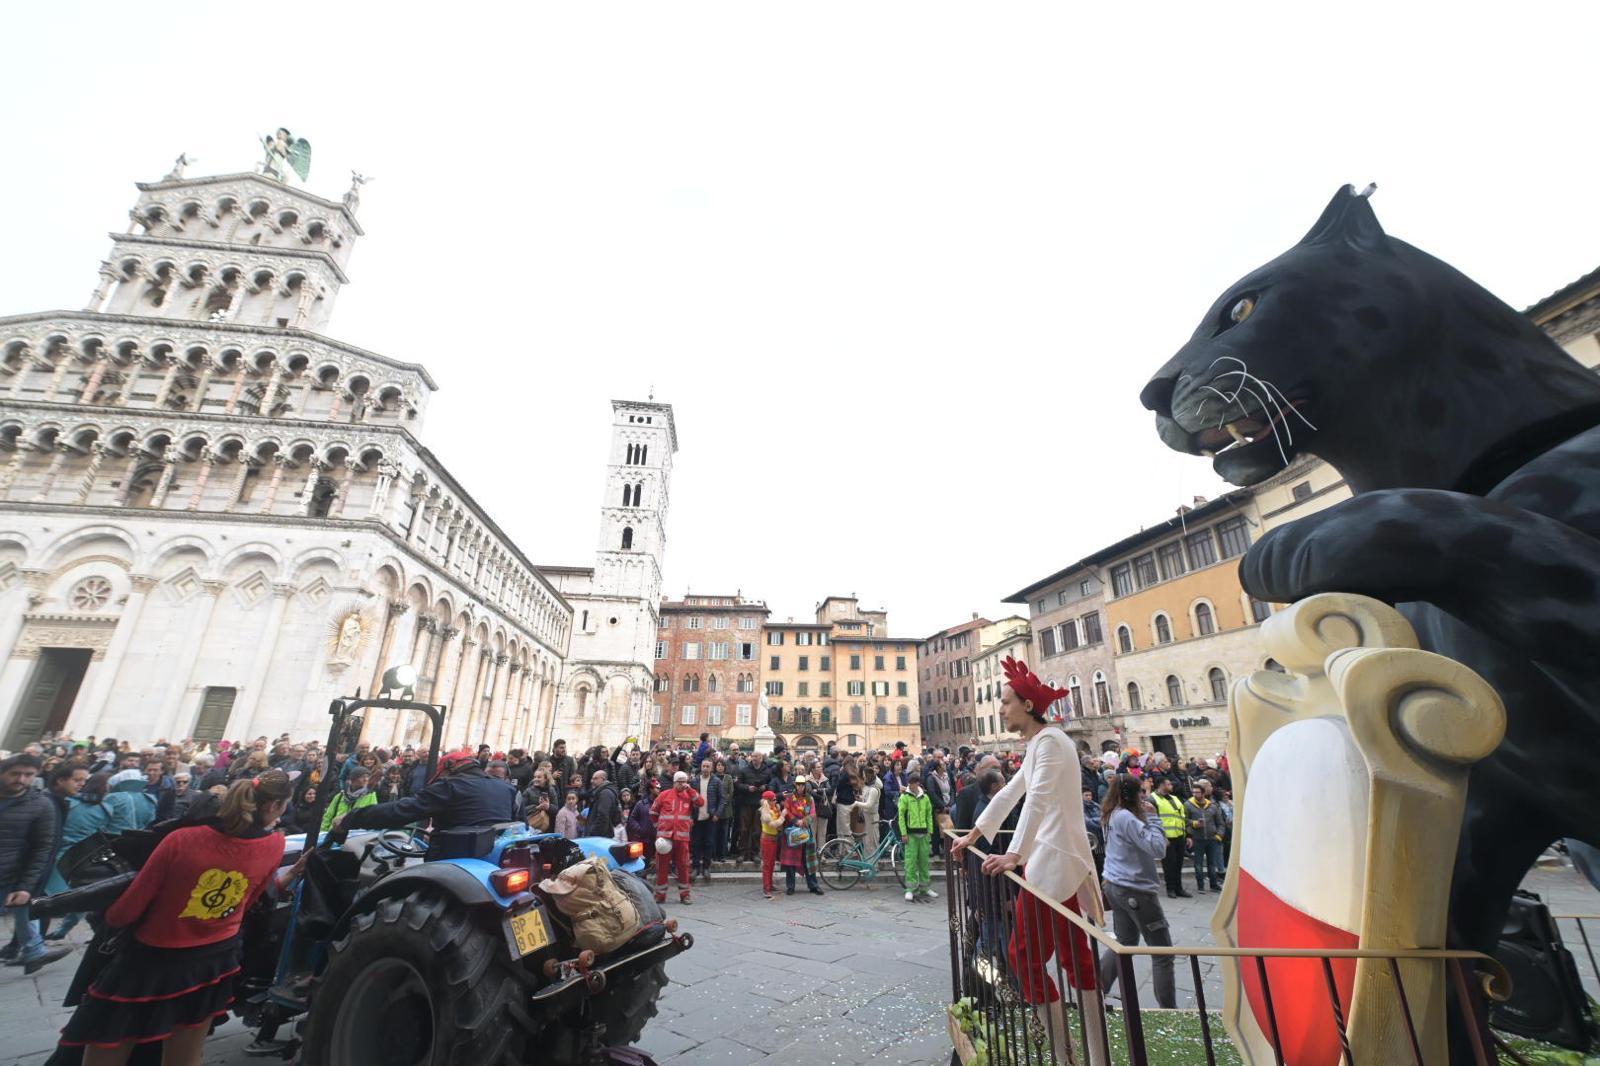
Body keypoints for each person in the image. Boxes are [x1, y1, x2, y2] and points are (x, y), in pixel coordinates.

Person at [57, 770, 303, 1064]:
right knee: (185, 1055)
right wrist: (290, 874)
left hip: (151, 959)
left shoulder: (183, 839)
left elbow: (126, 911)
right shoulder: (273, 845)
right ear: (275, 807)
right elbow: (250, 900)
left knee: (109, 1046)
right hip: (213, 960)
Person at [952, 657, 1109, 1066]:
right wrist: (975, 833)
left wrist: (1014, 853)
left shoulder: (1052, 742)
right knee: (1075, 958)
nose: (1001, 709)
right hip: (1057, 860)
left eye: (1005, 702)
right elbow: (1011, 793)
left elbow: (1036, 797)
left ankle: (1066, 1053)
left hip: (1054, 862)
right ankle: (1090, 1053)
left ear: (1026, 705)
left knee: (1024, 956)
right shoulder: (1044, 743)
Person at [1096, 773, 1177, 1008]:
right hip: (1136, 891)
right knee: (1163, 955)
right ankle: (1169, 1009)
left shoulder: (1111, 814)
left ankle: (1097, 986)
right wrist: (1153, 819)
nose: (1144, 796)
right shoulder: (1126, 818)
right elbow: (1158, 848)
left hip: (1115, 884)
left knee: (1124, 943)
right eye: (1141, 791)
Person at [0, 755, 71, 972]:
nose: (21, 779)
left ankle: (33, 951)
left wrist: (26, 886)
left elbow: (43, 848)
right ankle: (34, 951)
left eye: (28, 775)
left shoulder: (41, 805)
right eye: (15, 774)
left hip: (9, 874)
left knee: (24, 907)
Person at [338, 749, 516, 832]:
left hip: (451, 859)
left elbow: (402, 810)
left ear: (449, 769)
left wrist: (353, 817)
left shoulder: (450, 786)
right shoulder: (507, 788)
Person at [651, 771, 703, 905]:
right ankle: (660, 895)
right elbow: (653, 812)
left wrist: (690, 790)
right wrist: (659, 828)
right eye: (680, 781)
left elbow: (701, 802)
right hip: (665, 838)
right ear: (674, 782)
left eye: (685, 781)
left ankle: (685, 895)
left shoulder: (689, 795)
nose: (682, 784)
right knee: (662, 867)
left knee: (683, 866)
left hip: (682, 838)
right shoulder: (664, 795)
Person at [779, 779, 824, 896]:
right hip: (792, 832)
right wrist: (795, 821)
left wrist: (803, 821)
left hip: (805, 831)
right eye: (798, 784)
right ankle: (790, 886)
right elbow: (786, 811)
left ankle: (813, 885)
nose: (800, 787)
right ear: (795, 785)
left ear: (805, 785)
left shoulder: (809, 799)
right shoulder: (789, 798)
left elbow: (812, 813)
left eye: (802, 785)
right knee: (790, 861)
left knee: (809, 860)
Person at [1151, 776, 1191, 898]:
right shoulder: (1152, 799)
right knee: (1169, 865)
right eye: (1168, 784)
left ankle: (1179, 888)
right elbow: (1153, 821)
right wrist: (1161, 837)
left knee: (1178, 863)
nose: (1171, 786)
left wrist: (1188, 835)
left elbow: (1183, 816)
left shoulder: (1174, 798)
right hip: (1166, 838)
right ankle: (1171, 889)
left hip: (1179, 836)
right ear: (1161, 785)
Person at [898, 772, 935, 902]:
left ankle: (925, 887)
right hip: (911, 834)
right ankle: (910, 889)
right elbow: (901, 816)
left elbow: (929, 815)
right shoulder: (905, 798)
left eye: (913, 783)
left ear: (917, 783)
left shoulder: (925, 797)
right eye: (910, 783)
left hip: (923, 833)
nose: (911, 786)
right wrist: (903, 833)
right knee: (910, 862)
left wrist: (930, 830)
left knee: (924, 861)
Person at [689, 759, 724, 882]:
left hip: (710, 817)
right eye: (703, 766)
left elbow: (722, 799)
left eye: (707, 766)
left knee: (709, 843)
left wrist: (718, 814)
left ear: (711, 768)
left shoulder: (717, 781)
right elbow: (689, 800)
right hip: (697, 817)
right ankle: (695, 867)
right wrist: (690, 816)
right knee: (696, 843)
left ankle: (706, 867)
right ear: (701, 767)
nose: (705, 768)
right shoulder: (694, 781)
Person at [733, 750, 768, 864]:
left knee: (757, 830)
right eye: (752, 756)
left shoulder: (767, 771)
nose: (754, 758)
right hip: (746, 803)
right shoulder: (744, 770)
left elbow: (771, 784)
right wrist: (747, 788)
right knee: (744, 829)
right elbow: (737, 784)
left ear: (761, 758)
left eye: (756, 756)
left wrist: (765, 787)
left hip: (759, 804)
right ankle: (742, 853)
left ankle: (755, 853)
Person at [321, 765, 377, 831]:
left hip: (355, 835)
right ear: (353, 779)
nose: (366, 779)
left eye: (367, 777)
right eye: (362, 777)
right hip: (334, 832)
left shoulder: (370, 796)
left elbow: (372, 817)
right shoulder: (340, 796)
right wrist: (323, 832)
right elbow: (328, 816)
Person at [758, 790, 784, 900]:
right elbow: (773, 825)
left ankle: (770, 884)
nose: (775, 801)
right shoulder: (765, 812)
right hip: (767, 840)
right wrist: (782, 816)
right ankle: (766, 888)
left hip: (773, 839)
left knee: (772, 864)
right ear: (768, 801)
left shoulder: (773, 809)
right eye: (773, 800)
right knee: (767, 865)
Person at [584, 770, 622, 839]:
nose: (591, 781)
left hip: (599, 837)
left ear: (603, 779)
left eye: (595, 778)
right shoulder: (602, 792)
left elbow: (603, 816)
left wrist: (593, 833)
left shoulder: (605, 793)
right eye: (592, 778)